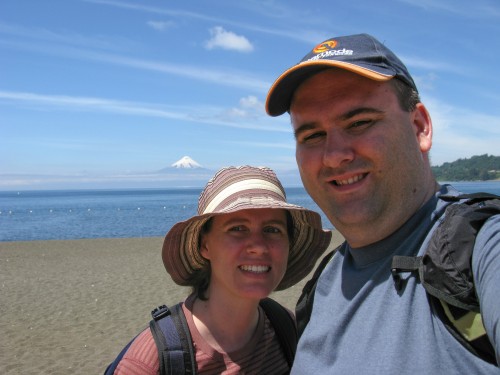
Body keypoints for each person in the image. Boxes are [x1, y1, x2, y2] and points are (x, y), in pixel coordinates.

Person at [265, 33, 500, 373]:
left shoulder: (479, 248)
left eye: (359, 122)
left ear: (419, 127)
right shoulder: (324, 284)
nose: (334, 156)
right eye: (312, 135)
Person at [106, 165, 332, 374]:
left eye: (273, 230)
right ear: (205, 246)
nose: (258, 246)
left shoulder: (285, 328)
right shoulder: (149, 364)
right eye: (238, 228)